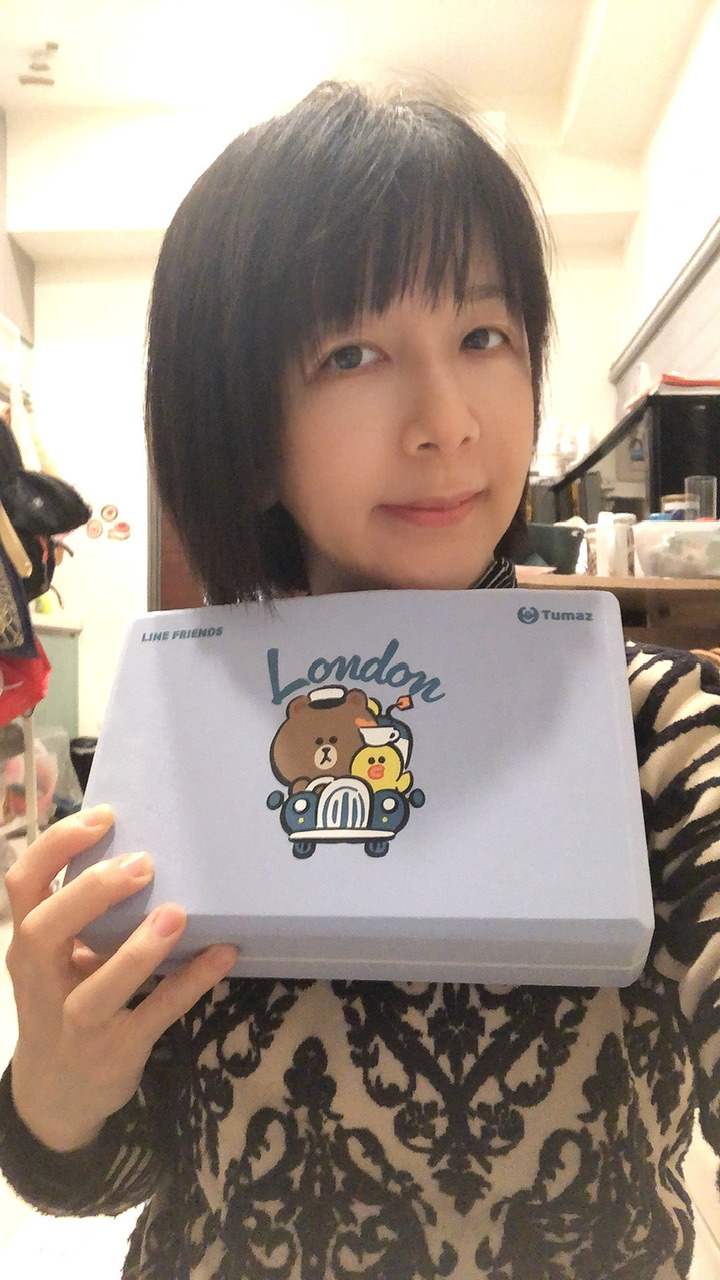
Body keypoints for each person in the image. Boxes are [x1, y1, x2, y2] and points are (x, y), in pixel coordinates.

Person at [2, 79, 720, 1280]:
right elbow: (117, 1169)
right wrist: (57, 1081)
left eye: (483, 337)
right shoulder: (179, 728)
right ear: (244, 424)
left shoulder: (654, 720)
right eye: (352, 352)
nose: (448, 421)